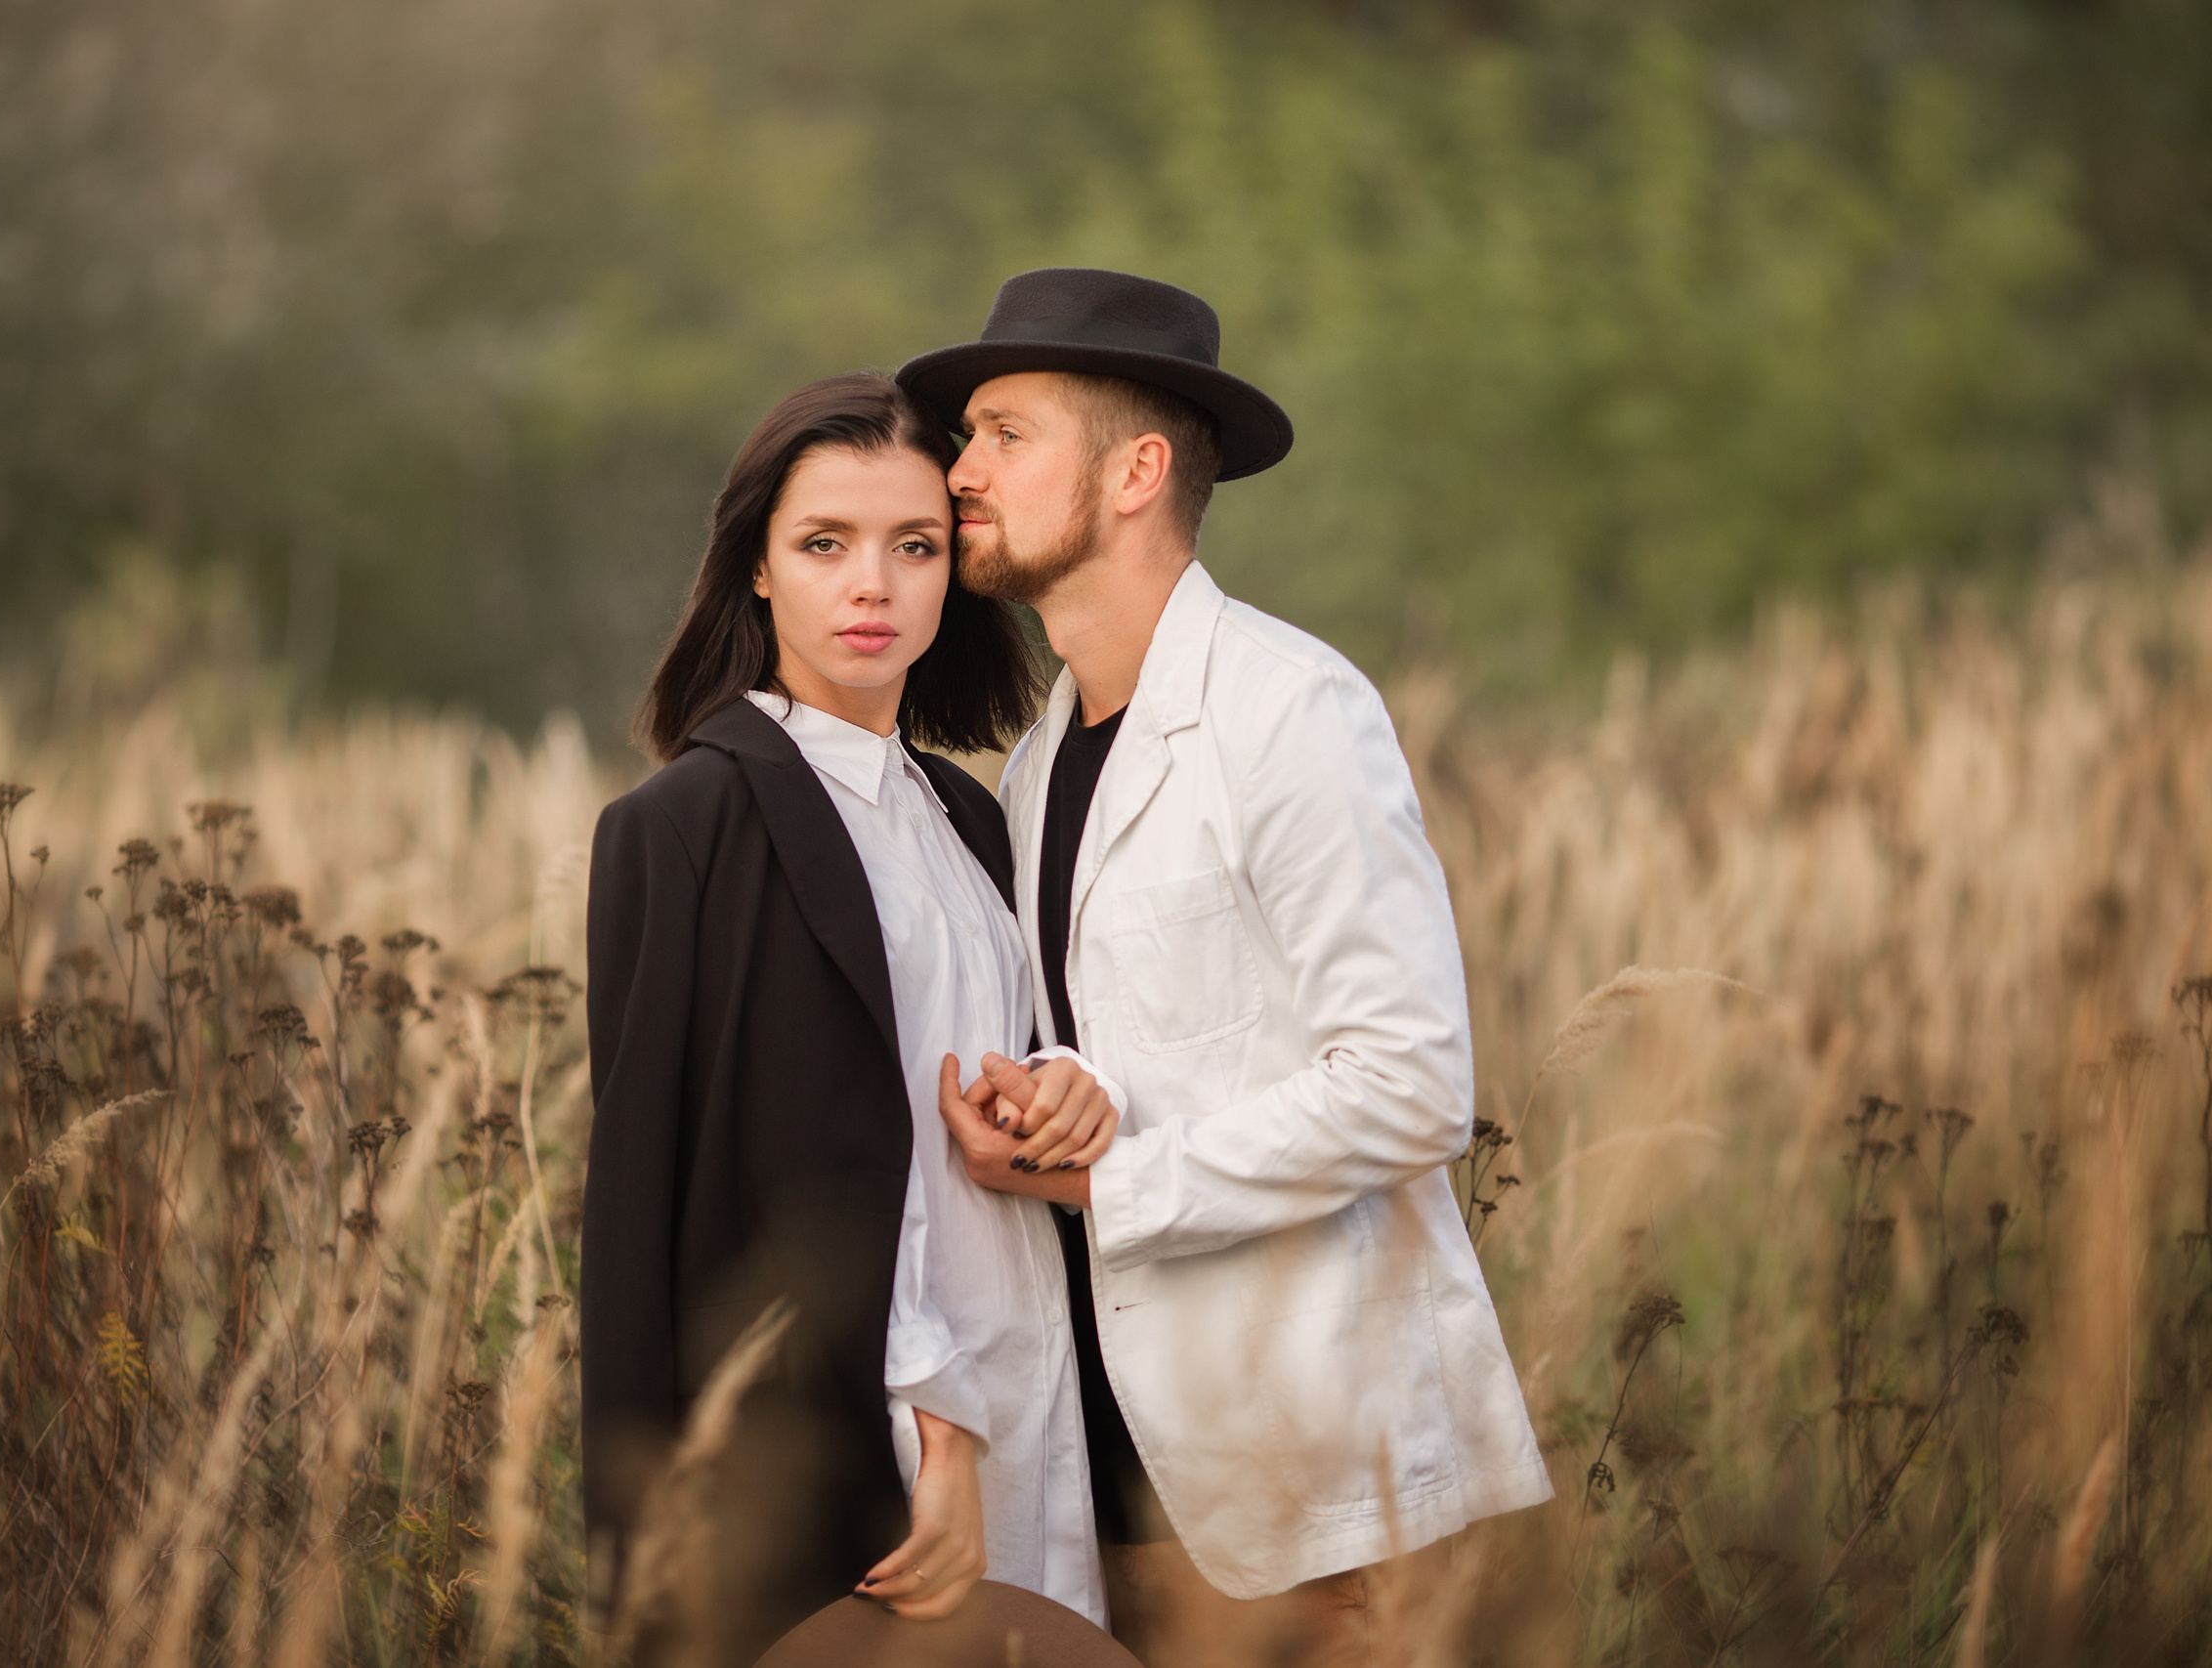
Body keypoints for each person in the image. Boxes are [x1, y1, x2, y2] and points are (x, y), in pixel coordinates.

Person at [898, 270, 1553, 1666]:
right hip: (1117, 1477)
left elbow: (1412, 1085)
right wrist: (1053, 1095)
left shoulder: (1291, 711)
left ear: (1135, 472)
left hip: (1316, 1489)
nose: (958, 472)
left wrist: (1112, 1179)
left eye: (1004, 434)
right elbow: (1136, 1039)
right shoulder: (1033, 766)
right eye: (966, 438)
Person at [581, 372, 1126, 1667]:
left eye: (916, 545)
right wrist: (925, 1423)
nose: (872, 584)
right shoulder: (684, 830)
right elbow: (726, 1190)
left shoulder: (969, 817)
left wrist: (1064, 1087)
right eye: (825, 544)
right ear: (757, 570)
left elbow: (961, 1077)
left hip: (1032, 1393)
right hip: (855, 1443)